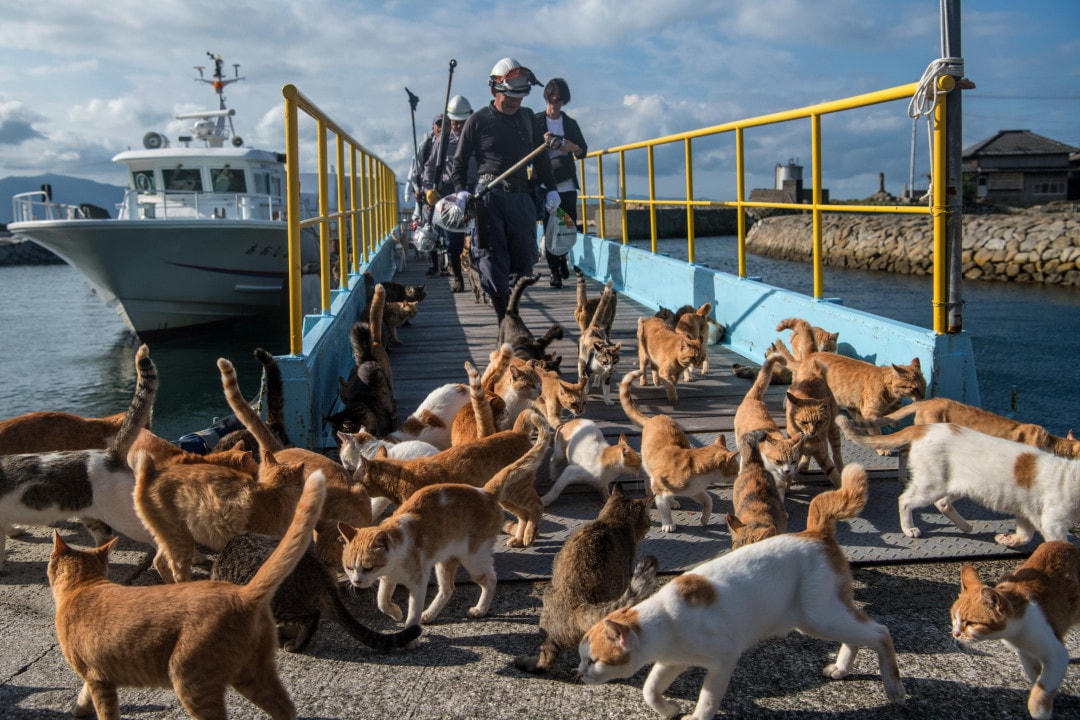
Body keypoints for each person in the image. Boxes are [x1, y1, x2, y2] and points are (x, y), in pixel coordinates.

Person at [452, 57, 560, 324]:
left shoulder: (527, 119)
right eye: (509, 98)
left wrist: (551, 189)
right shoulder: (477, 121)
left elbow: (541, 157)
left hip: (521, 196)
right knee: (491, 258)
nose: (514, 103)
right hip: (487, 199)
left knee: (524, 258)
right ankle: (506, 320)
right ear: (494, 91)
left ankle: (511, 303)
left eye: (519, 99)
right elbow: (459, 162)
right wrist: (460, 193)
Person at [533, 78, 588, 288]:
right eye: (552, 100)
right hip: (546, 185)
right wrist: (543, 141)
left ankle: (563, 258)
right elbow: (527, 149)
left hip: (567, 184)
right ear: (546, 98)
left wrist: (568, 145)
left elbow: (583, 150)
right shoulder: (536, 121)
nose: (555, 104)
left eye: (560, 101)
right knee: (550, 229)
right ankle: (554, 271)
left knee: (568, 228)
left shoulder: (570, 123)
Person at [423, 95, 476, 291]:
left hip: (472, 190)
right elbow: (428, 166)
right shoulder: (443, 141)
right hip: (450, 193)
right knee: (453, 240)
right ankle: (458, 278)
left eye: (463, 122)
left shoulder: (475, 137)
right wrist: (429, 187)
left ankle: (480, 276)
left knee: (479, 237)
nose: (459, 126)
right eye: (455, 122)